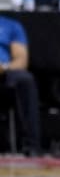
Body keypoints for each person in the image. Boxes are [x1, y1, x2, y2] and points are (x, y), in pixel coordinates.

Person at [0, 15, 41, 155]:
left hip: (4, 74)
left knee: (24, 79)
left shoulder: (10, 26)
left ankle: (31, 145)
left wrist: (4, 67)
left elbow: (21, 61)